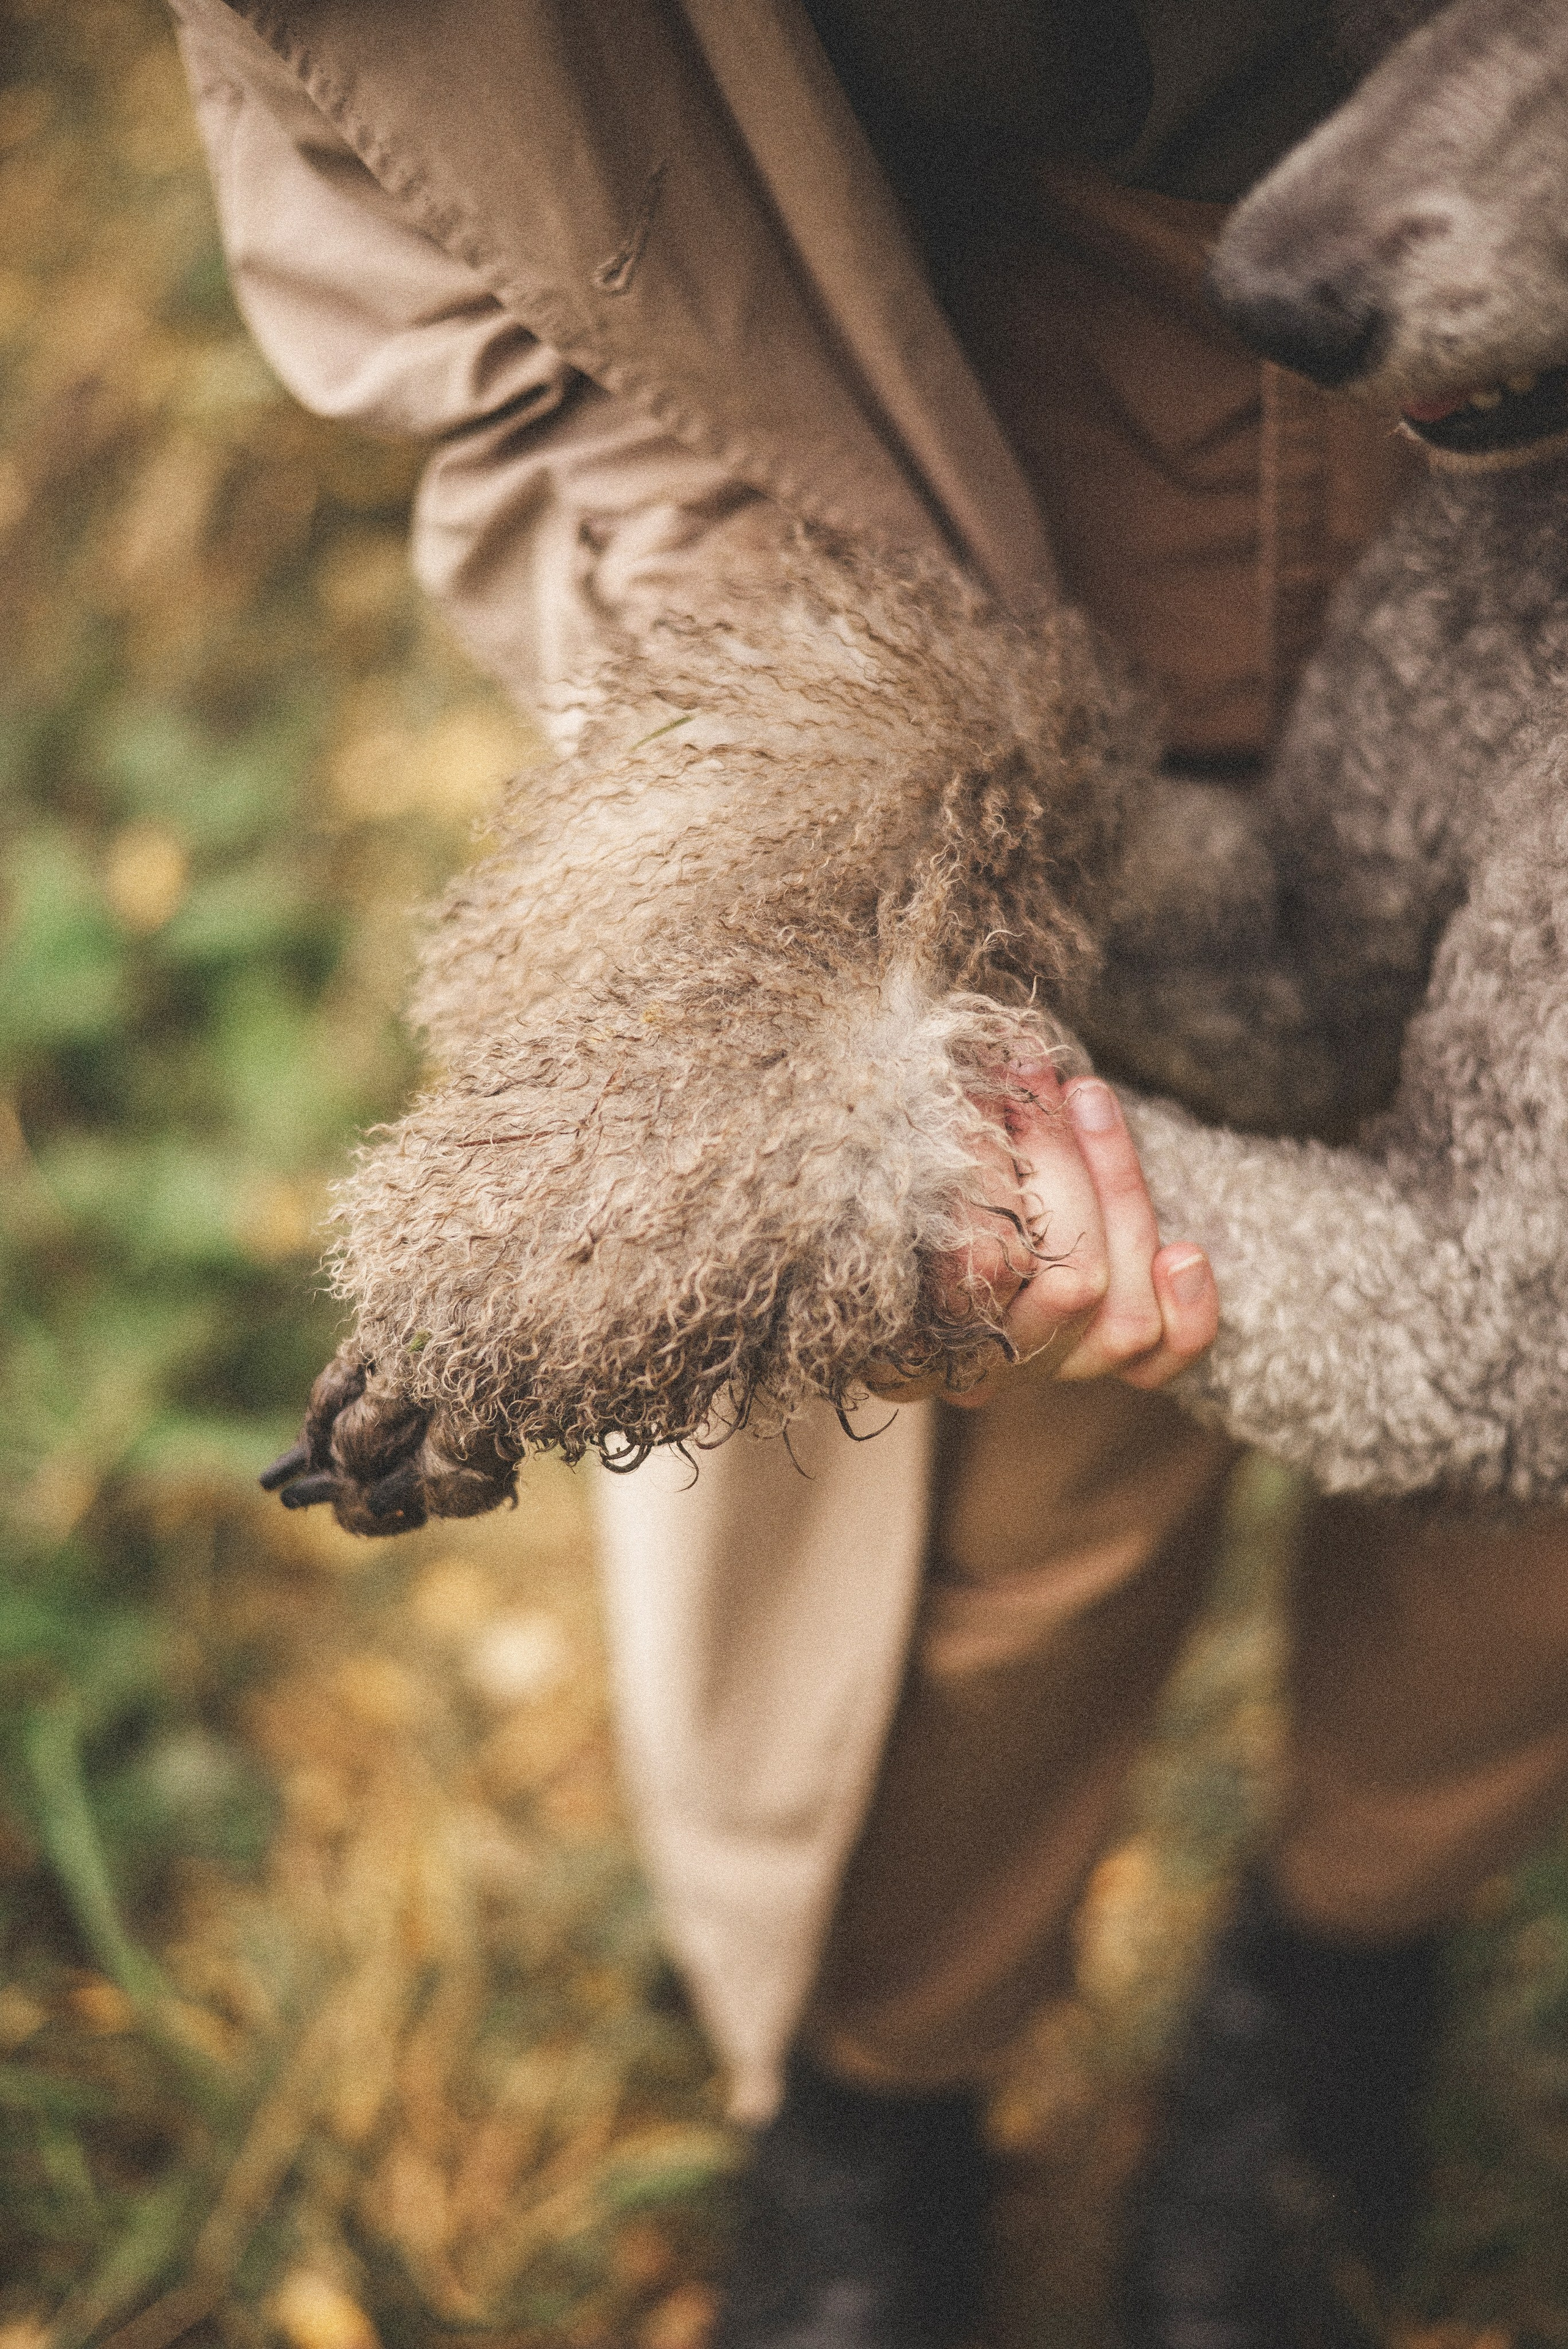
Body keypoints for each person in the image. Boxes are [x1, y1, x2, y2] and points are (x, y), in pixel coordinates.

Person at [168, 4, 1568, 2343]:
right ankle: (885, 2087)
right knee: (986, 1527)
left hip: (1489, 489)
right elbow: (475, 314)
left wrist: (1079, 1203)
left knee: (1519, 1535)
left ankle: (1340, 1973)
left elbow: (1504, 1330)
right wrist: (779, 1010)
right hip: (952, 469)